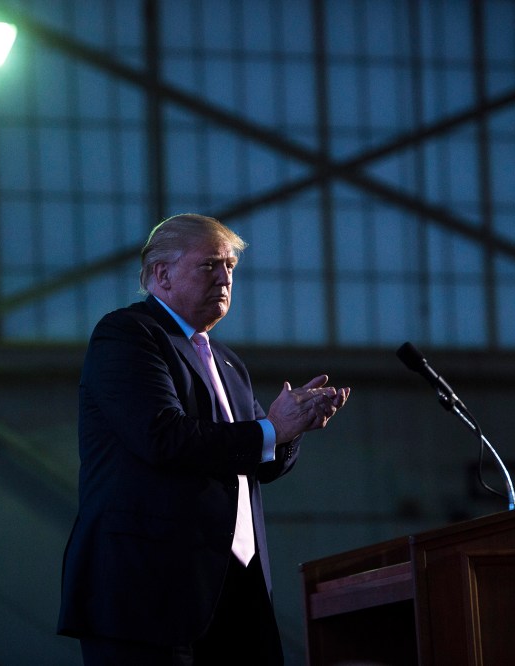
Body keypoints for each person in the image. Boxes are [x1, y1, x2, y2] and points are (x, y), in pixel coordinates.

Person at [57, 213, 350, 665]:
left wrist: (292, 430)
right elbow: (163, 437)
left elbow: (260, 460)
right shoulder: (128, 335)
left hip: (234, 588)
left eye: (230, 266)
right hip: (147, 592)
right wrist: (272, 428)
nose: (224, 277)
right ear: (162, 274)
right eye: (209, 265)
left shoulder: (228, 362)